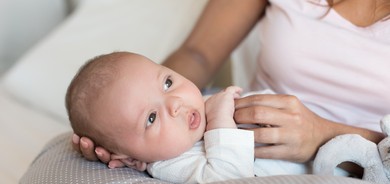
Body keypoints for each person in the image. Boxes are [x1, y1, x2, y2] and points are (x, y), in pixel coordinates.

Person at [73, 0, 389, 169]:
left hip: (366, 172)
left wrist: (325, 136)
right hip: (234, 144)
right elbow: (198, 54)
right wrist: (132, 121)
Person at [66, 51, 316, 184]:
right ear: (131, 158)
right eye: (151, 118)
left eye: (167, 82)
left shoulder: (199, 108)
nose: (176, 103)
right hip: (312, 182)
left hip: (319, 156)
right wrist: (219, 119)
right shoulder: (172, 163)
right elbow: (229, 182)